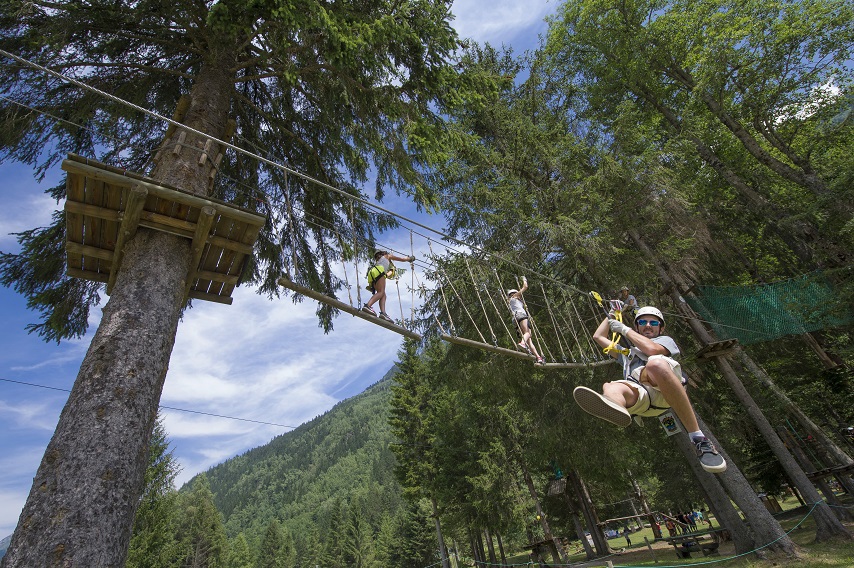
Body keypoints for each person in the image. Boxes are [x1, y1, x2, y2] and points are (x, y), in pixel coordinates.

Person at [573, 306, 727, 474]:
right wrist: (610, 315)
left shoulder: (666, 341)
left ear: (661, 328)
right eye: (642, 322)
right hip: (643, 401)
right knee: (610, 386)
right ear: (637, 326)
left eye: (653, 322)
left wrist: (625, 329)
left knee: (655, 363)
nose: (647, 325)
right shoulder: (627, 354)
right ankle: (615, 404)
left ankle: (698, 438)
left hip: (665, 389)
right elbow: (598, 336)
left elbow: (651, 350)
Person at [362, 250, 415, 322]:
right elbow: (401, 259)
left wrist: (391, 270)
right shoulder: (386, 256)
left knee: (383, 294)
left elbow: (386, 275)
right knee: (381, 292)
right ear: (383, 253)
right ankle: (368, 306)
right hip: (379, 271)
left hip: (373, 273)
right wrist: (409, 259)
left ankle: (383, 313)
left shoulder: (379, 262)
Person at [507, 276, 545, 365]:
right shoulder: (515, 297)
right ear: (514, 294)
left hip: (515, 319)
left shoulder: (510, 302)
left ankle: (538, 357)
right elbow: (525, 287)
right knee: (528, 333)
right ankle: (522, 344)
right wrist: (524, 279)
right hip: (521, 315)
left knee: (529, 339)